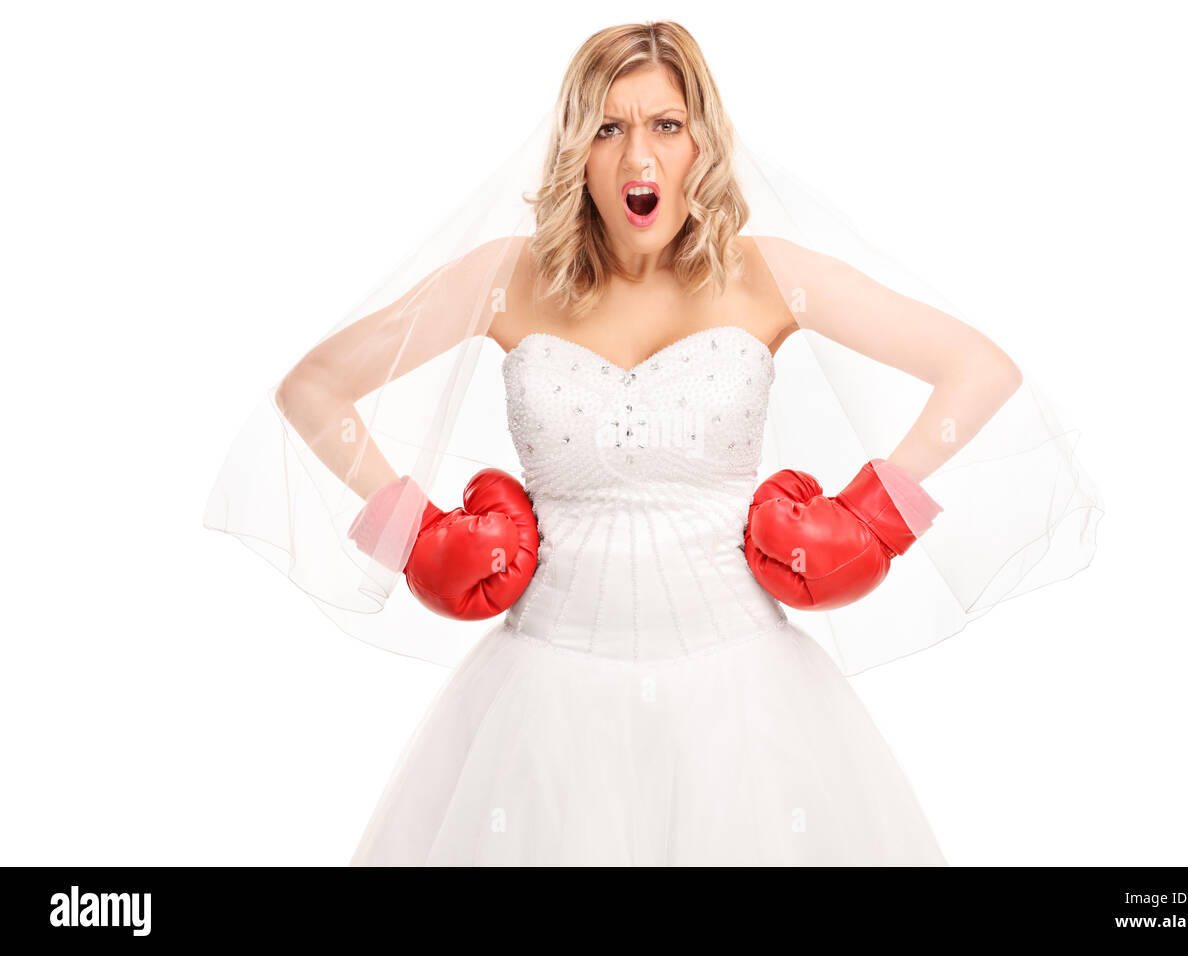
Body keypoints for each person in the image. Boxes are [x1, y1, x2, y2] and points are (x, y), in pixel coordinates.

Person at [206, 20, 1102, 866]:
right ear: (576, 153)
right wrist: (417, 536)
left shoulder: (768, 275)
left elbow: (976, 369)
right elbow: (313, 388)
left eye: (666, 125)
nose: (639, 154)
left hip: (747, 706)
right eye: (608, 128)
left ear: (701, 145)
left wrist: (871, 518)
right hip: (542, 705)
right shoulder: (504, 280)